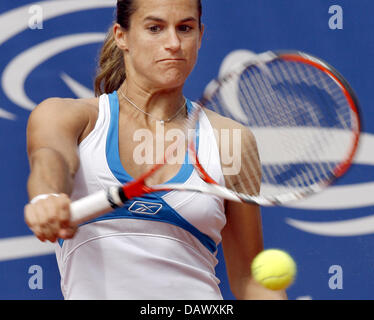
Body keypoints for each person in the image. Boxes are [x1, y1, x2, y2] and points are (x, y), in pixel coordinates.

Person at [24, 0, 287, 300]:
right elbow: (50, 158)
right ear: (121, 36)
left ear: (200, 36)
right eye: (155, 28)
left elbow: (249, 279)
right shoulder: (67, 116)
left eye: (185, 28)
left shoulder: (232, 140)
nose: (173, 43)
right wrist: (47, 197)